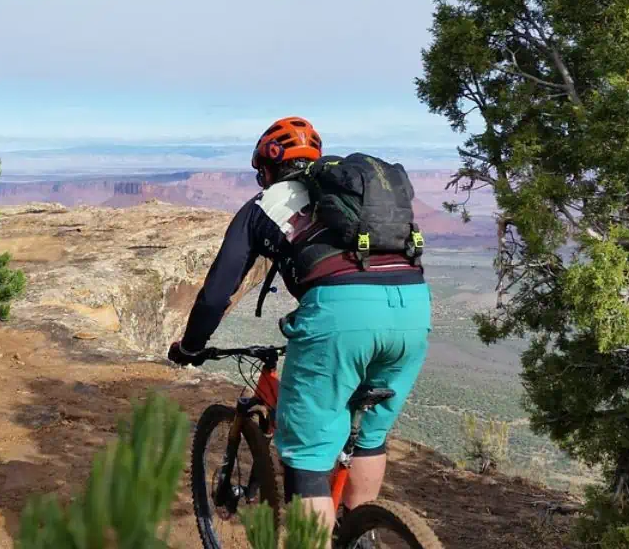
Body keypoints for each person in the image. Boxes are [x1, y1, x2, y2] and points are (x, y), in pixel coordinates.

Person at [167, 116, 432, 534]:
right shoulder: (348, 199)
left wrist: (191, 346)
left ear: (267, 168)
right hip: (414, 306)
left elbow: (217, 292)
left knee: (307, 460)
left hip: (341, 314)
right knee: (369, 438)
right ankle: (357, 533)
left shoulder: (262, 206)